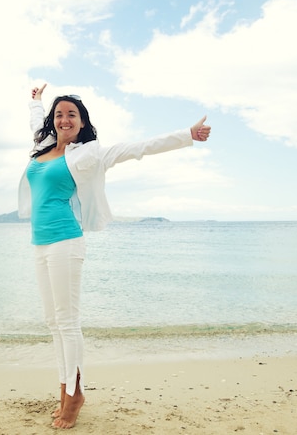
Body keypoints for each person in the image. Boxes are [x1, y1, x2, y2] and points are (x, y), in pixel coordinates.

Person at [17, 83, 210, 429]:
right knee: (52, 323)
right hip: (40, 243)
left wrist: (187, 134)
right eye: (59, 114)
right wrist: (36, 101)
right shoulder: (41, 146)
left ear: (81, 122)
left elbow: (137, 148)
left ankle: (74, 394)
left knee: (67, 322)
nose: (64, 119)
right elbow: (36, 120)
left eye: (71, 115)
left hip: (65, 241)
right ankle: (64, 387)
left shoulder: (88, 154)